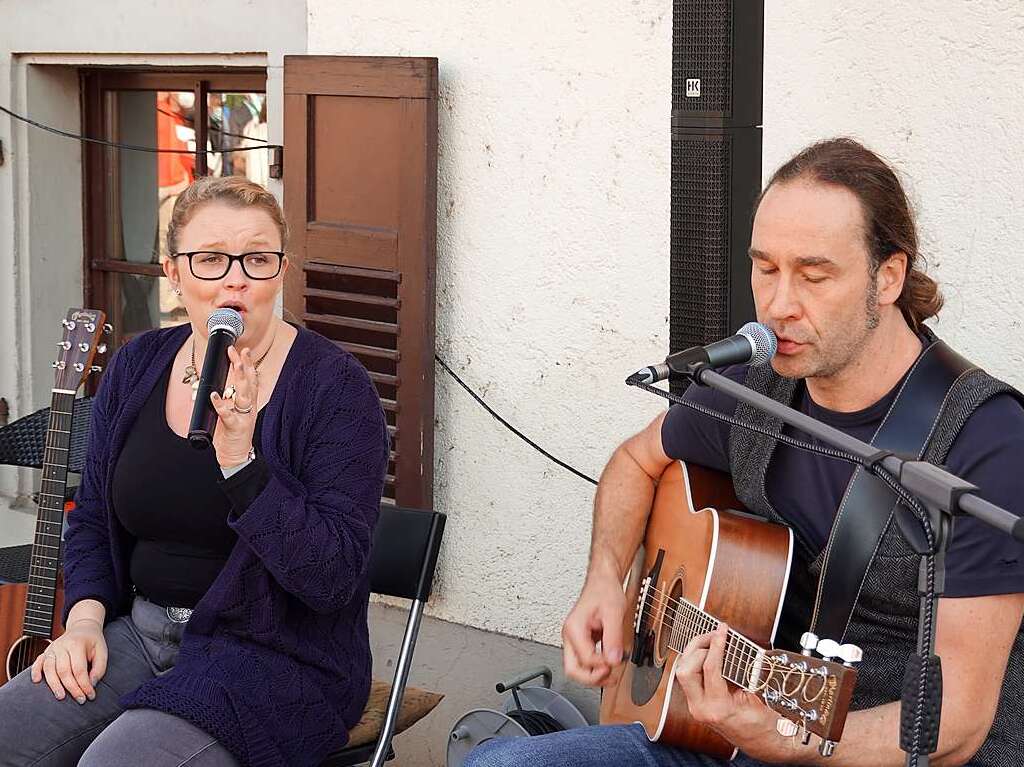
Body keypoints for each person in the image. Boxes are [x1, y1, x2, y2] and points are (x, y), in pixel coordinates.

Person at [465, 138, 1024, 767]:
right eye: (765, 268)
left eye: (814, 275)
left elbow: (956, 724)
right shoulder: (758, 387)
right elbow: (635, 462)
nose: (779, 305)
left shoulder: (985, 440)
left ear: (888, 277)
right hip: (732, 732)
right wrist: (604, 579)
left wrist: (783, 742)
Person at [0, 176, 390, 767]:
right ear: (174, 274)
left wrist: (241, 461)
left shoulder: (334, 388)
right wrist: (83, 620)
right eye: (209, 259)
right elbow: (94, 520)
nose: (235, 278)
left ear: (279, 270)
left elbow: (331, 577)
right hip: (136, 632)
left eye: (256, 258)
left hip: (272, 654)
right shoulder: (137, 364)